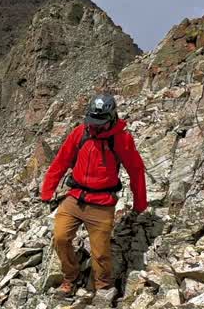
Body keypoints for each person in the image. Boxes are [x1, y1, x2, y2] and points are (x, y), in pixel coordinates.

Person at [39, 94, 148, 296]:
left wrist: (140, 203)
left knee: (101, 253)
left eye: (101, 123)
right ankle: (70, 277)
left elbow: (136, 170)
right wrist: (47, 191)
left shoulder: (121, 139)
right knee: (60, 238)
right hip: (75, 198)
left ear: (112, 118)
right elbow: (60, 162)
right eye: (93, 122)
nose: (95, 127)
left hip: (102, 203)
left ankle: (102, 286)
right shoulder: (80, 133)